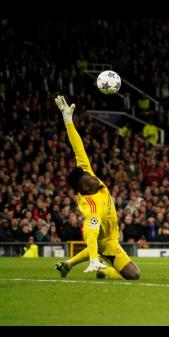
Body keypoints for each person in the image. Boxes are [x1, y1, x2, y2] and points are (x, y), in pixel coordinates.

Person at [54, 95, 140, 280]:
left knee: (102, 249)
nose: (94, 176)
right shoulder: (92, 205)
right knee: (134, 275)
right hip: (107, 242)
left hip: (109, 235)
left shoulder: (85, 176)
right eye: (90, 178)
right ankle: (104, 271)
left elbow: (78, 148)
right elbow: (91, 234)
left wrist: (67, 120)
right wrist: (93, 258)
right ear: (85, 188)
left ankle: (67, 265)